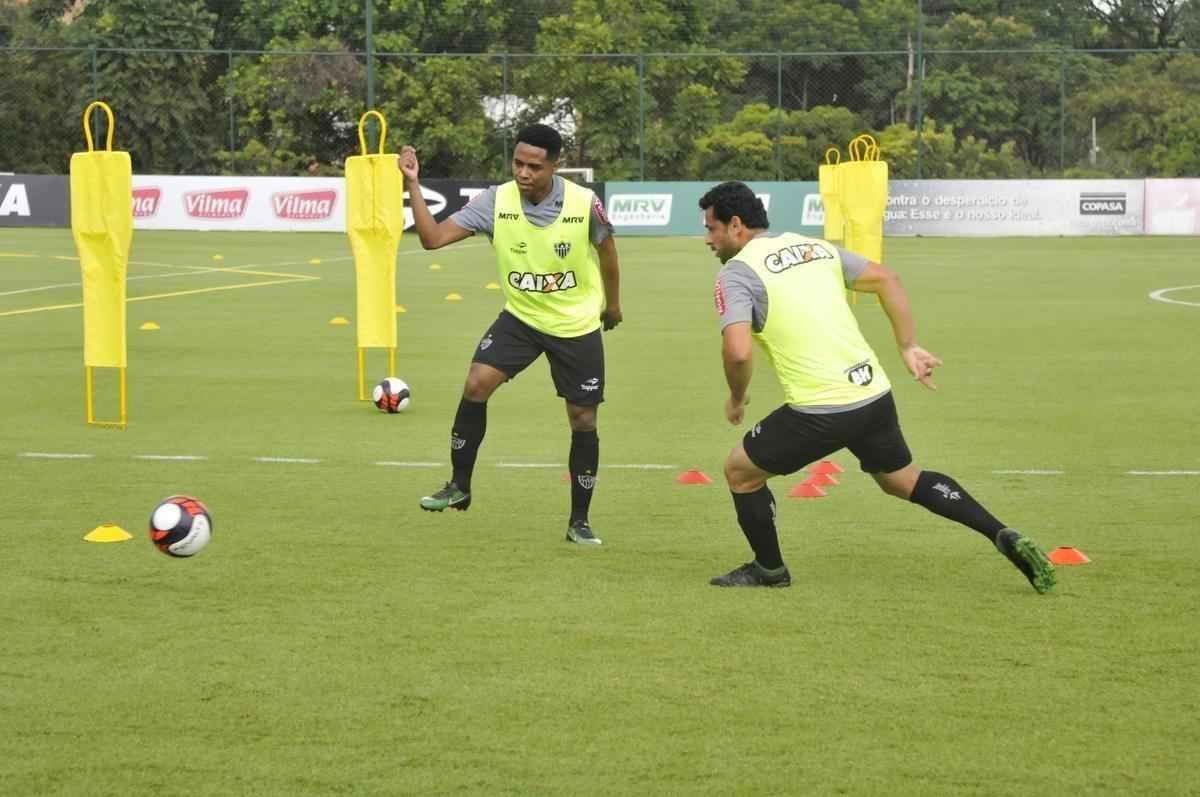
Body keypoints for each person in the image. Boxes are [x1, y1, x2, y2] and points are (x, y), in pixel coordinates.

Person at [699, 180, 1056, 592]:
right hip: (872, 395)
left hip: (820, 410)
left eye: (712, 228)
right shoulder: (814, 247)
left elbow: (739, 352)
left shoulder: (736, 275)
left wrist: (737, 397)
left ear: (737, 225)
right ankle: (1002, 533)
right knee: (902, 480)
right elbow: (887, 278)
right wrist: (908, 346)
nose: (707, 239)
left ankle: (770, 570)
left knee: (740, 471)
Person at [399, 124, 622, 545]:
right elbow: (432, 239)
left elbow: (608, 252)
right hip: (520, 317)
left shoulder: (583, 203)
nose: (523, 173)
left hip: (575, 324)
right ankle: (459, 485)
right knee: (476, 384)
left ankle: (579, 521)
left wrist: (612, 306)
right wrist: (413, 184)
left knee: (583, 418)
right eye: (517, 163)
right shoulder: (495, 201)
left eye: (534, 166)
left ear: (555, 165)